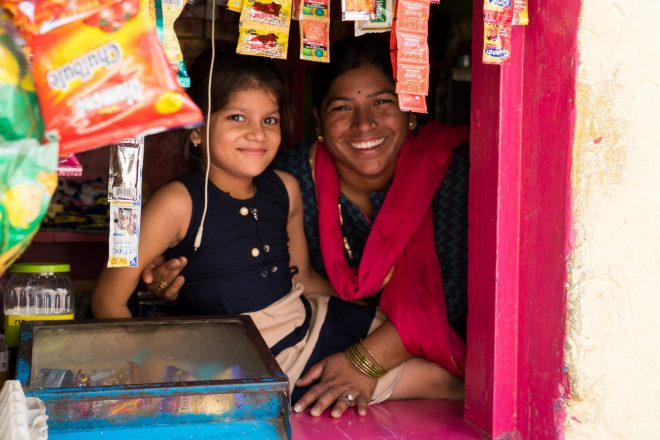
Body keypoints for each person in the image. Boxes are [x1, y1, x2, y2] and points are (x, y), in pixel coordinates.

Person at [92, 46, 461, 416]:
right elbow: (108, 300)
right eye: (238, 117)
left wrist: (379, 318)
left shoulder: (285, 187)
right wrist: (146, 377)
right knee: (438, 384)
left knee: (445, 374)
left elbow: (303, 279)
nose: (257, 134)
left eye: (269, 120)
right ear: (195, 129)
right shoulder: (176, 203)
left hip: (311, 322)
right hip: (255, 358)